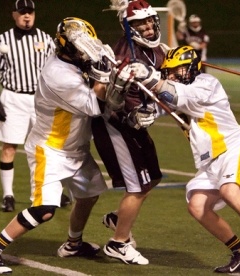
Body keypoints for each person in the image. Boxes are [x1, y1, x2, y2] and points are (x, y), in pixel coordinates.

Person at [0, 17, 135, 274]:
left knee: (89, 195)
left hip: (76, 148)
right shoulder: (58, 74)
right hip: (50, 149)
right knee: (44, 209)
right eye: (80, 47)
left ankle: (73, 244)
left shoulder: (70, 58)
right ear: (66, 48)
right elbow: (96, 105)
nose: (86, 51)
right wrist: (105, 75)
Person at [132, 45, 240, 273]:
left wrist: (152, 78)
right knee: (197, 206)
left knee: (229, 191)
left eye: (177, 70)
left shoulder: (206, 84)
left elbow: (180, 95)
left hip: (235, 147)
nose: (172, 76)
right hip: (211, 161)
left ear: (191, 67)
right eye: (169, 72)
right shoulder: (176, 88)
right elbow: (155, 102)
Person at [91, 0, 166, 265]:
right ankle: (118, 244)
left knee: (153, 177)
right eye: (139, 23)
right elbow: (103, 98)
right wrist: (123, 99)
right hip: (116, 126)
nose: (147, 27)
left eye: (148, 21)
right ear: (127, 26)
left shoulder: (157, 50)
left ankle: (116, 219)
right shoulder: (117, 53)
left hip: (138, 124)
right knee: (138, 186)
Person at [0, 0, 70, 212]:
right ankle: (8, 195)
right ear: (14, 15)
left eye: (30, 12)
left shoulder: (45, 38)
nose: (26, 16)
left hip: (40, 100)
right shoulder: (3, 40)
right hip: (13, 98)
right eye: (22, 13)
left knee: (47, 148)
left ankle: (53, 193)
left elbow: (57, 66)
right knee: (10, 147)